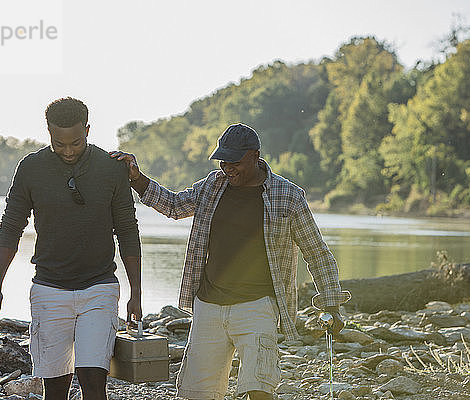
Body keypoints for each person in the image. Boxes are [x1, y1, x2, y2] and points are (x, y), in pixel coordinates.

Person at [111, 123, 350, 400]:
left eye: (234, 162)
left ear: (255, 156)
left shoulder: (288, 196)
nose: (228, 168)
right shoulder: (213, 186)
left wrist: (332, 304)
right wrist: (137, 179)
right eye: (223, 161)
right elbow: (174, 206)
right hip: (208, 306)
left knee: (259, 389)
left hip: (257, 307)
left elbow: (317, 253)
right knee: (197, 393)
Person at [0, 97, 142, 400]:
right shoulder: (31, 168)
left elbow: (127, 231)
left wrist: (136, 292)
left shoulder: (112, 168)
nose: (68, 151)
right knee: (54, 388)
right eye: (59, 144)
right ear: (48, 133)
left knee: (93, 380)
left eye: (76, 143)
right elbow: (10, 227)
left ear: (88, 130)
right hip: (48, 290)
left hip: (99, 288)